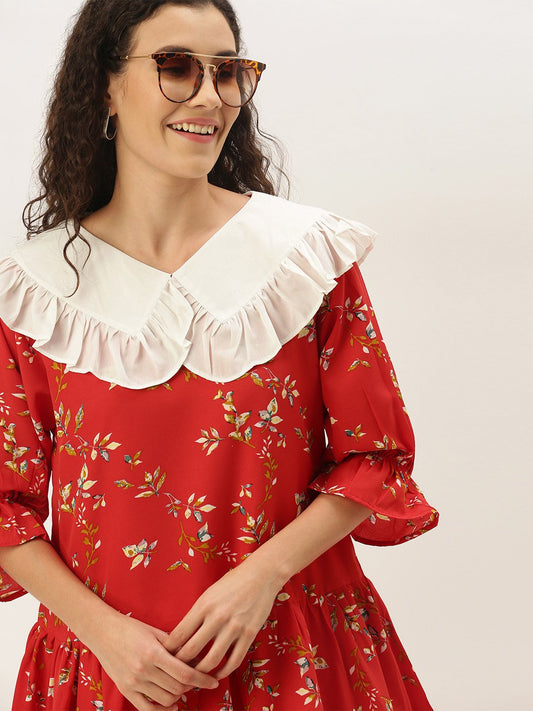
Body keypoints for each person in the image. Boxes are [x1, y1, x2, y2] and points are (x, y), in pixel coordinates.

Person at [0, 1, 439, 709]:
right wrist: (104, 633)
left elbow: (374, 455)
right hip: (112, 673)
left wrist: (260, 578)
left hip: (297, 656)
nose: (209, 95)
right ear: (105, 85)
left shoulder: (305, 259)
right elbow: (5, 505)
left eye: (228, 71)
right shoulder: (30, 291)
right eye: (176, 67)